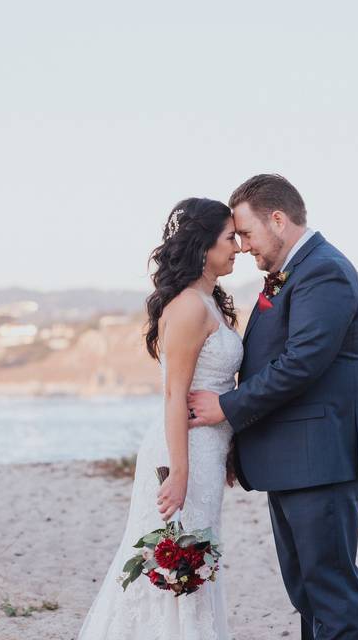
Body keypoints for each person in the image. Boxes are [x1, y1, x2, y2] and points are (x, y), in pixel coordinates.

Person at [187, 174, 358, 640]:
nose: (244, 247)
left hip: (321, 460)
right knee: (306, 592)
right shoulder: (294, 271)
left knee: (330, 591)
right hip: (294, 461)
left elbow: (302, 363)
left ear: (278, 219)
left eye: (247, 234)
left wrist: (227, 408)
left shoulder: (324, 271)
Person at [77, 197, 242, 639]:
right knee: (175, 565)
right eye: (230, 239)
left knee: (193, 564)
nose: (239, 247)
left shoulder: (209, 304)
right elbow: (174, 395)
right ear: (204, 247)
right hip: (181, 453)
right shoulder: (189, 306)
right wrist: (180, 471)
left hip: (207, 451)